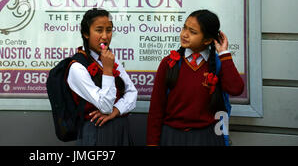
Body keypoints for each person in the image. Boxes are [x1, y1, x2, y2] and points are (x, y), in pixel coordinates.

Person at [146, 9, 244, 146]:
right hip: (172, 136)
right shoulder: (168, 63)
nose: (185, 34)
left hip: (208, 137)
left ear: (208, 40)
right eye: (184, 27)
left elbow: (236, 89)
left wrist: (224, 53)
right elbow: (156, 109)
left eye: (193, 32)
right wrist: (152, 143)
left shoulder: (218, 64)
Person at [67, 8, 138, 145]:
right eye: (99, 30)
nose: (105, 36)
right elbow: (104, 106)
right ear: (86, 33)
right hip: (96, 132)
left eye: (109, 30)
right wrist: (107, 70)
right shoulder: (77, 67)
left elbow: (132, 92)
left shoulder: (109, 59)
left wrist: (116, 111)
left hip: (119, 128)